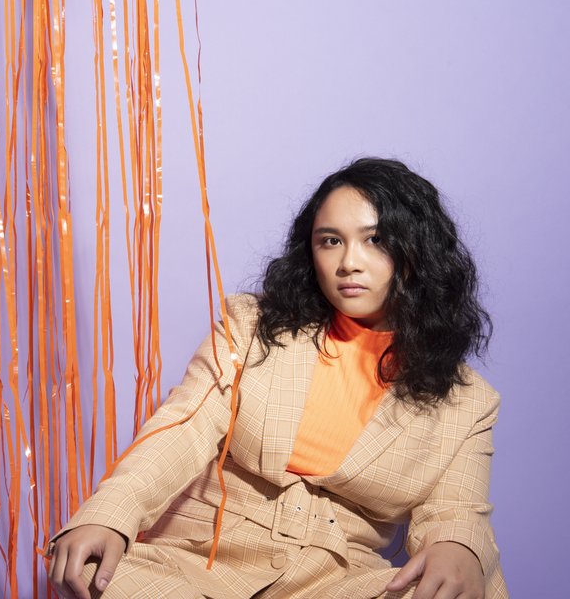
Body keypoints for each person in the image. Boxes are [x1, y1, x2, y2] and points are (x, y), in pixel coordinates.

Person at [48, 158, 508, 598]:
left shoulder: (468, 402)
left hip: (337, 580)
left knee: (466, 587)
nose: (349, 262)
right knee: (95, 571)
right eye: (331, 241)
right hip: (200, 560)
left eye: (376, 240)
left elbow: (456, 509)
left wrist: (458, 548)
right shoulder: (251, 327)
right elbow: (184, 426)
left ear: (418, 252)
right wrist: (111, 515)